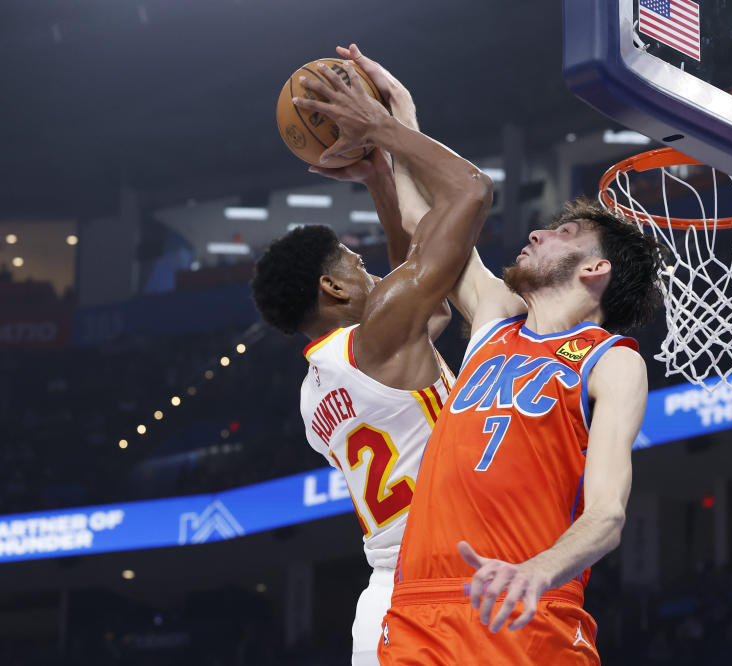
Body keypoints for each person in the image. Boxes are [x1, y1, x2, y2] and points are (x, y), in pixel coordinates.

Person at [329, 45, 664, 665]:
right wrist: (399, 126)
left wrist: (537, 572)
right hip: (418, 612)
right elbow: (431, 227)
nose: (537, 232)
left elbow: (607, 516)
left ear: (595, 268)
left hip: (521, 610)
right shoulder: (494, 319)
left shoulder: (612, 361)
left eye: (564, 233)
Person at [251, 55, 493, 666]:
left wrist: (382, 180)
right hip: (437, 588)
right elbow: (471, 189)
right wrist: (381, 127)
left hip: (392, 596)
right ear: (333, 290)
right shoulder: (378, 339)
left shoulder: (315, 395)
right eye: (357, 268)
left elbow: (418, 302)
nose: (375, 274)